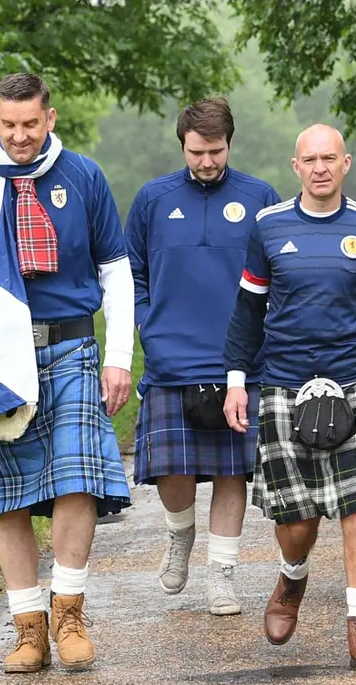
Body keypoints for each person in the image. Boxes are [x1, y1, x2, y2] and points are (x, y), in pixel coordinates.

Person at [0, 73, 134, 673]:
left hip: (69, 348)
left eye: (30, 125)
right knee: (5, 494)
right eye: (8, 125)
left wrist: (119, 356)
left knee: (76, 479)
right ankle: (28, 628)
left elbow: (116, 271)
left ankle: (69, 613)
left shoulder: (83, 175)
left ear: (50, 117)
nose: (19, 136)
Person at [223, 124, 356, 671]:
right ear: (295, 167)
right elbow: (247, 313)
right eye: (309, 159)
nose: (319, 168)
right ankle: (292, 577)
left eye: (329, 158)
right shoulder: (268, 227)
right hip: (285, 383)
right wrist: (237, 380)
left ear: (346, 163)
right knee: (298, 521)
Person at [126, 97, 280, 616]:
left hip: (242, 358)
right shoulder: (152, 198)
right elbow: (133, 273)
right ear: (182, 146)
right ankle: (180, 534)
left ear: (229, 144)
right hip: (171, 357)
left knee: (232, 473)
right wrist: (147, 322)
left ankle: (222, 575)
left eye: (215, 151)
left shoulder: (260, 196)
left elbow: (279, 273)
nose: (206, 162)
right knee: (173, 473)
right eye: (196, 152)